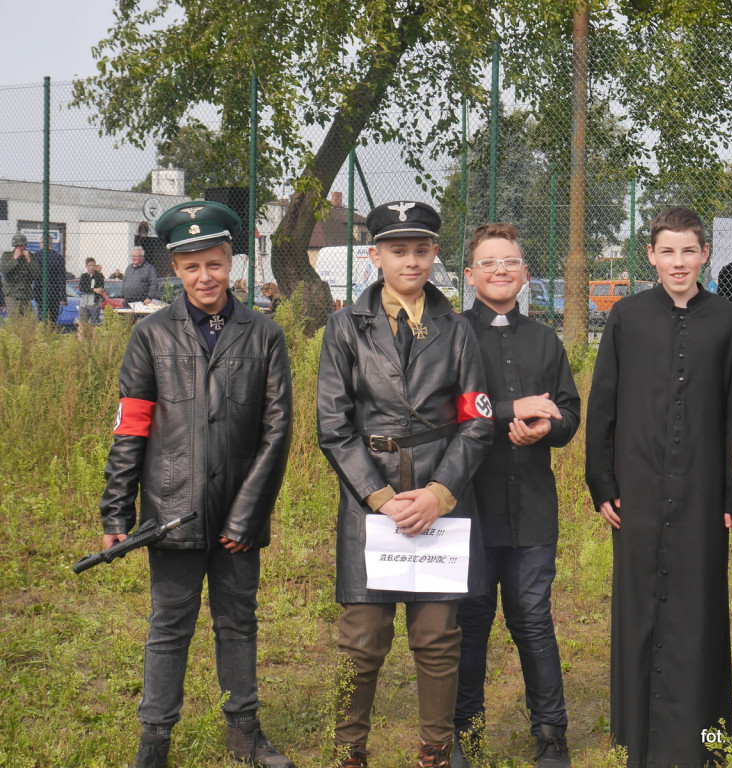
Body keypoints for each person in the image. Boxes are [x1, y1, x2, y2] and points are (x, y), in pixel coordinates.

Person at [98, 200, 294, 768]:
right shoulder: (150, 337)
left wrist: (246, 516)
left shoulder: (265, 335)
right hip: (170, 515)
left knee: (238, 622)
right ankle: (154, 740)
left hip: (239, 516)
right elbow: (131, 428)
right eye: (191, 267)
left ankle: (245, 735)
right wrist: (117, 515)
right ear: (175, 270)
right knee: (169, 626)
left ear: (230, 260)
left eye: (213, 263)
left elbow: (276, 431)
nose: (204, 277)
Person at [317, 201, 493, 768]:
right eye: (397, 250)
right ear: (375, 256)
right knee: (361, 637)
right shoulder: (345, 327)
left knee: (439, 637)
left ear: (434, 254)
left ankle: (436, 750)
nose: (410, 261)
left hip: (439, 500)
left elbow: (477, 420)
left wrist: (440, 494)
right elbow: (334, 426)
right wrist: (382, 498)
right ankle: (349, 752)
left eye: (421, 249)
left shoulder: (459, 329)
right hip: (372, 504)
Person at [585, 206, 732, 768]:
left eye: (688, 251)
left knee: (699, 606)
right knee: (637, 608)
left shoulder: (729, 320)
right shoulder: (627, 317)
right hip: (638, 485)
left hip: (704, 489)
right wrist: (601, 480)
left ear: (704, 254)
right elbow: (603, 403)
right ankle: (636, 736)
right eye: (667, 251)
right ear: (651, 256)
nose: (678, 262)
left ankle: (702, 739)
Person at [456, 223, 580, 768]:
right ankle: (465, 731)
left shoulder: (545, 340)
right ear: (470, 275)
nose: (501, 270)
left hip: (531, 506)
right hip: (468, 507)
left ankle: (551, 734)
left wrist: (546, 431)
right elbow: (446, 408)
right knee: (471, 621)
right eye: (489, 262)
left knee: (533, 619)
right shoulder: (452, 335)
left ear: (525, 272)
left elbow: (569, 413)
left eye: (510, 261)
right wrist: (512, 410)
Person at [1, 233, 41, 317]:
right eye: (18, 245)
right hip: (12, 292)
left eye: (22, 245)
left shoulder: (31, 256)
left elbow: (36, 274)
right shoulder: (7, 256)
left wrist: (29, 260)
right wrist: (14, 258)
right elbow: (4, 270)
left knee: (29, 319)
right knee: (14, 317)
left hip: (25, 293)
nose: (20, 247)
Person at [33, 236, 67, 325]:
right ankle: (51, 333)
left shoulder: (36, 256)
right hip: (54, 291)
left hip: (39, 290)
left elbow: (33, 274)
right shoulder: (58, 257)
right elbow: (62, 278)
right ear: (51, 243)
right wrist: (63, 296)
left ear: (42, 243)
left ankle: (42, 332)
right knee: (53, 317)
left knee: (42, 314)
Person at [78, 257, 106, 326]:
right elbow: (82, 288)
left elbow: (100, 289)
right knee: (83, 323)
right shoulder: (84, 276)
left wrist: (92, 289)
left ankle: (93, 336)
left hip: (95, 304)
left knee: (94, 324)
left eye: (93, 265)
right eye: (89, 266)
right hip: (84, 303)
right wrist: (93, 290)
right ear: (86, 266)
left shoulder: (99, 276)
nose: (91, 267)